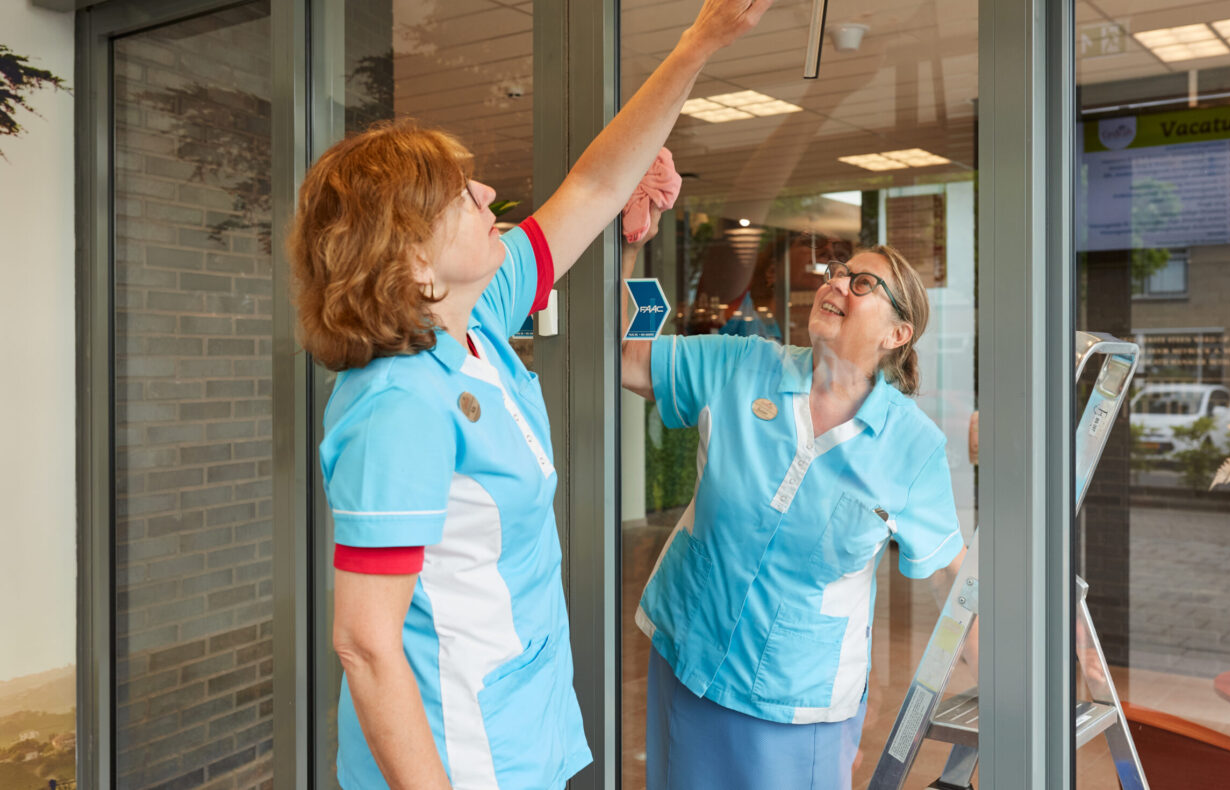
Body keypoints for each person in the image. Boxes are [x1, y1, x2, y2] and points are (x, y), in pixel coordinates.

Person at [288, 3, 772, 788]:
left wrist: (700, 42)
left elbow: (592, 185)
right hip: (455, 757)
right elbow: (366, 644)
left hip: (519, 729)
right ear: (412, 263)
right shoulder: (397, 406)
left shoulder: (472, 321)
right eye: (457, 196)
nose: (486, 192)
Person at [621, 213, 967, 789]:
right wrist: (630, 246)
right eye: (836, 272)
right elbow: (630, 361)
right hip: (689, 658)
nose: (835, 283)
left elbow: (951, 580)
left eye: (862, 283)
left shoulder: (913, 447)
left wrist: (1014, 713)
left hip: (798, 701)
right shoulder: (740, 366)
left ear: (897, 335)